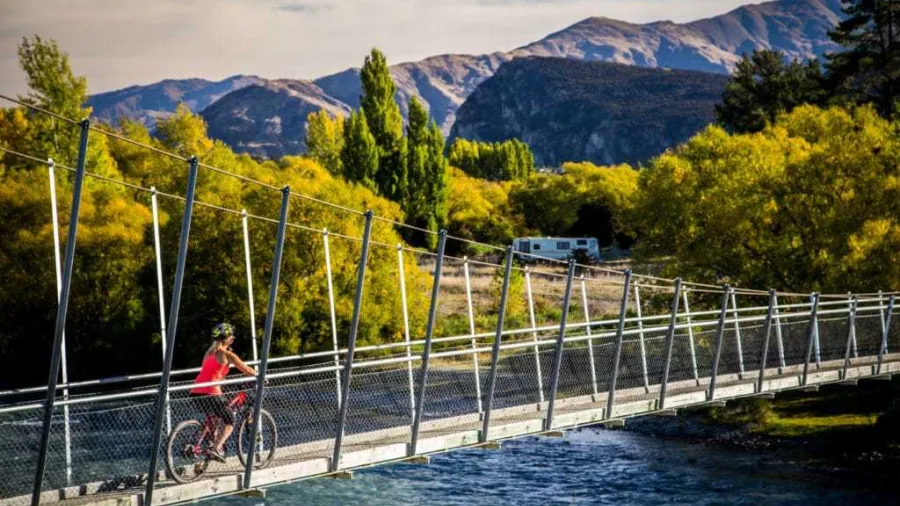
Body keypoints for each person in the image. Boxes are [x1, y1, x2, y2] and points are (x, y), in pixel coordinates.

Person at [190, 322, 257, 462]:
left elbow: (210, 371)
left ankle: (200, 444)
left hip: (195, 391)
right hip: (211, 392)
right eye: (232, 337)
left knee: (215, 418)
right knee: (230, 421)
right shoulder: (226, 354)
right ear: (227, 339)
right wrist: (261, 376)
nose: (233, 339)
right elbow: (246, 369)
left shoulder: (209, 353)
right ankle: (216, 447)